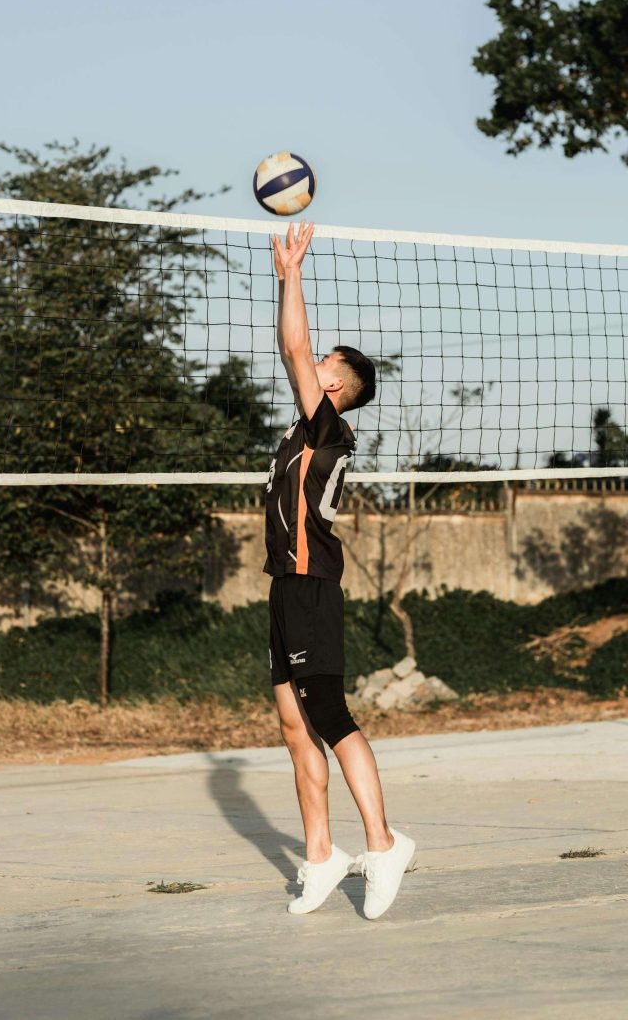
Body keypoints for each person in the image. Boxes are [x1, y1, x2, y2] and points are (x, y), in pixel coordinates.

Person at [265, 219, 416, 919]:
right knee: (294, 723)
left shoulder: (330, 425)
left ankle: (383, 843)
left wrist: (292, 271)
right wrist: (285, 281)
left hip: (312, 585)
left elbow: (292, 344)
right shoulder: (306, 426)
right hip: (286, 586)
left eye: (324, 362)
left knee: (327, 712)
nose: (310, 362)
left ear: (338, 383)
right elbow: (290, 346)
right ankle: (321, 858)